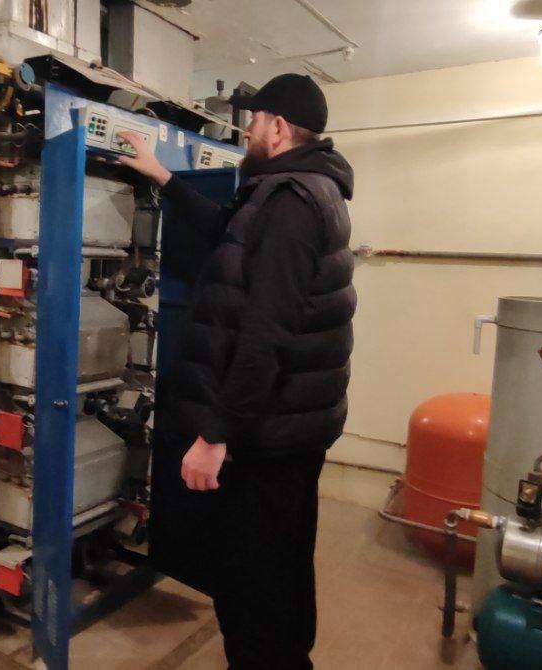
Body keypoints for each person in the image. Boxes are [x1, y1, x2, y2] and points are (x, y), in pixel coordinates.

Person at [118, 73, 356, 668]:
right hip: (291, 428)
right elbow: (227, 232)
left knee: (252, 588)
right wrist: (163, 176)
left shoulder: (290, 202)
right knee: (282, 568)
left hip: (267, 435)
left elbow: (265, 335)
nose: (246, 132)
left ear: (278, 128)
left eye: (252, 122)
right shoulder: (301, 191)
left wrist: (213, 435)